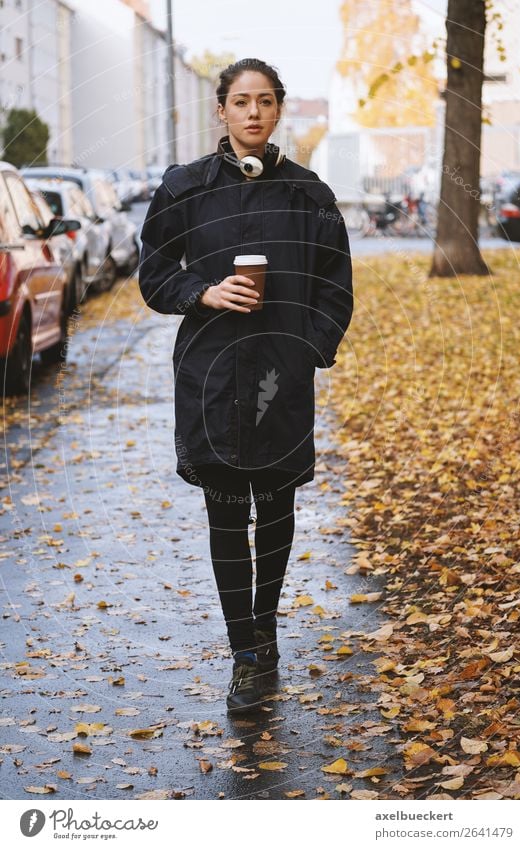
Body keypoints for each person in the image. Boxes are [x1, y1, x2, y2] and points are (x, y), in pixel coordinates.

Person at [138, 58, 353, 715]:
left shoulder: (309, 193)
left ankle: (266, 627)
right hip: (209, 377)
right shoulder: (185, 188)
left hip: (279, 381)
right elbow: (150, 271)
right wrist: (200, 291)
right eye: (240, 101)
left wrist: (308, 350)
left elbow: (335, 286)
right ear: (222, 112)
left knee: (277, 508)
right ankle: (245, 654)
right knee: (227, 513)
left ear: (278, 109)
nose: (253, 112)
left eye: (264, 101)